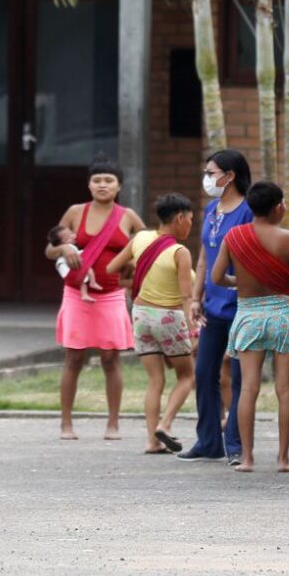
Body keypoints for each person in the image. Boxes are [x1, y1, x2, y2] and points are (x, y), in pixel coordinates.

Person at [213, 182, 289, 474]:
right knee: (285, 389)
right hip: (284, 316)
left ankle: (246, 458)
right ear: (278, 207)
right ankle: (283, 459)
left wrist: (239, 282)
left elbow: (218, 277)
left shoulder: (234, 237)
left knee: (249, 389)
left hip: (250, 317)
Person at [46, 158, 145, 441]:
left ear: (119, 186)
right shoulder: (75, 212)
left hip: (113, 294)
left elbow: (148, 247)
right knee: (73, 357)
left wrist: (133, 269)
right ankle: (66, 423)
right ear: (89, 184)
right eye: (97, 180)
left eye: (109, 181)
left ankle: (113, 424)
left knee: (111, 358)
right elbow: (49, 251)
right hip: (77, 293)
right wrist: (64, 248)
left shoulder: (128, 216)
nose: (103, 185)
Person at [178, 149, 254, 464]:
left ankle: (235, 445)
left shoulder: (249, 210)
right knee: (204, 370)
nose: (208, 179)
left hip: (242, 304)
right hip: (213, 305)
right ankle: (208, 441)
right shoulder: (212, 209)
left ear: (230, 175)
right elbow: (204, 256)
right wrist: (196, 298)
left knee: (239, 377)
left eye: (211, 173)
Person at [107, 193, 198, 454]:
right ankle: (166, 424)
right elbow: (185, 296)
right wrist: (191, 330)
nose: (190, 225)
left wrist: (135, 272)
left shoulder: (141, 238)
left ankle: (151, 441)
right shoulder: (180, 252)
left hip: (141, 315)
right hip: (168, 317)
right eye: (190, 220)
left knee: (155, 380)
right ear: (179, 218)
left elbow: (113, 267)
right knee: (186, 376)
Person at [48, 226, 99, 302]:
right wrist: (87, 251)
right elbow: (79, 255)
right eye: (68, 237)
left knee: (82, 280)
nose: (72, 236)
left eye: (71, 233)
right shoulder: (69, 247)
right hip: (68, 270)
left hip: (64, 270)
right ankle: (92, 282)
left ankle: (84, 294)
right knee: (88, 269)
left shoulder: (64, 247)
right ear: (61, 243)